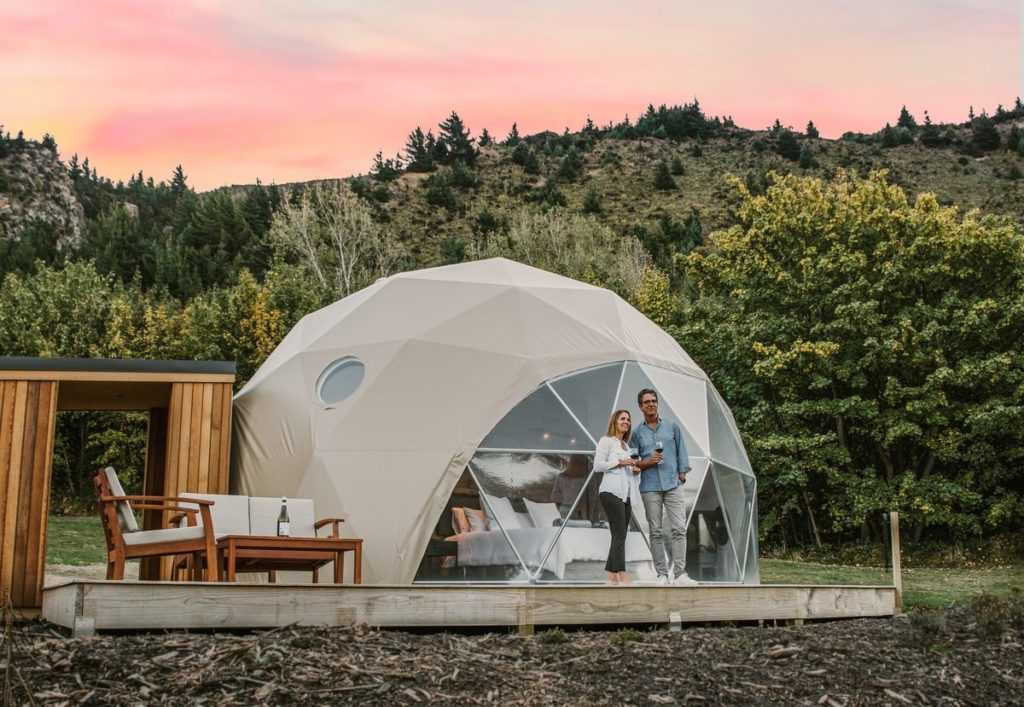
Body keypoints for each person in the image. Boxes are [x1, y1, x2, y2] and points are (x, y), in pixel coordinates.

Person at [631, 388, 696, 586]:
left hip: (672, 484)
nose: (651, 404)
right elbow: (634, 462)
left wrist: (682, 474)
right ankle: (661, 574)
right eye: (646, 402)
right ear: (641, 406)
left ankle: (680, 574)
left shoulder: (671, 427)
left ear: (657, 403)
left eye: (653, 401)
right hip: (650, 487)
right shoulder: (637, 433)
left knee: (678, 529)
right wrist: (648, 461)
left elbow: (681, 450)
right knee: (656, 531)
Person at [594, 409, 642, 585]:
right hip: (611, 492)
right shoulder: (606, 441)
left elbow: (628, 472)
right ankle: (621, 573)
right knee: (620, 533)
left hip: (626, 494)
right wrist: (621, 462)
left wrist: (636, 471)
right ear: (615, 421)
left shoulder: (627, 447)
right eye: (623, 419)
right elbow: (597, 466)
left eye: (628, 420)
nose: (626, 422)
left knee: (619, 534)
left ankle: (612, 575)